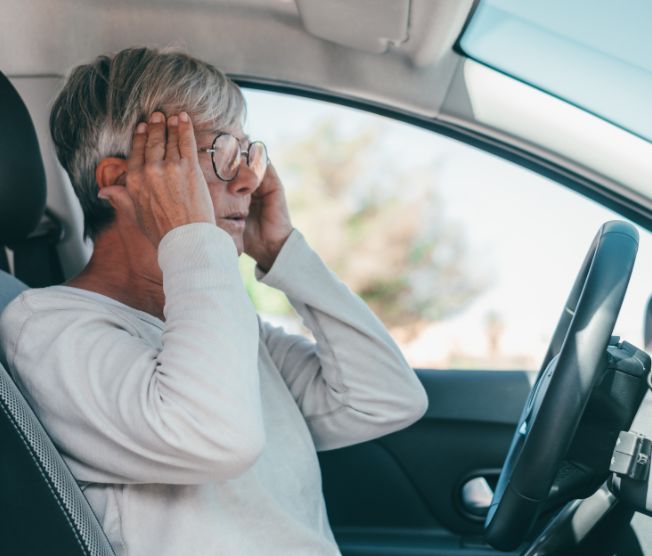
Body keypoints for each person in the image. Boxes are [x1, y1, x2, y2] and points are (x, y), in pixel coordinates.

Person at [0, 47, 428, 555]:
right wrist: (191, 233)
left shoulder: (226, 327)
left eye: (249, 155)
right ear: (120, 181)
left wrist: (284, 253)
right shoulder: (48, 330)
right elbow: (216, 437)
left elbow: (387, 399)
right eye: (221, 153)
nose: (248, 179)